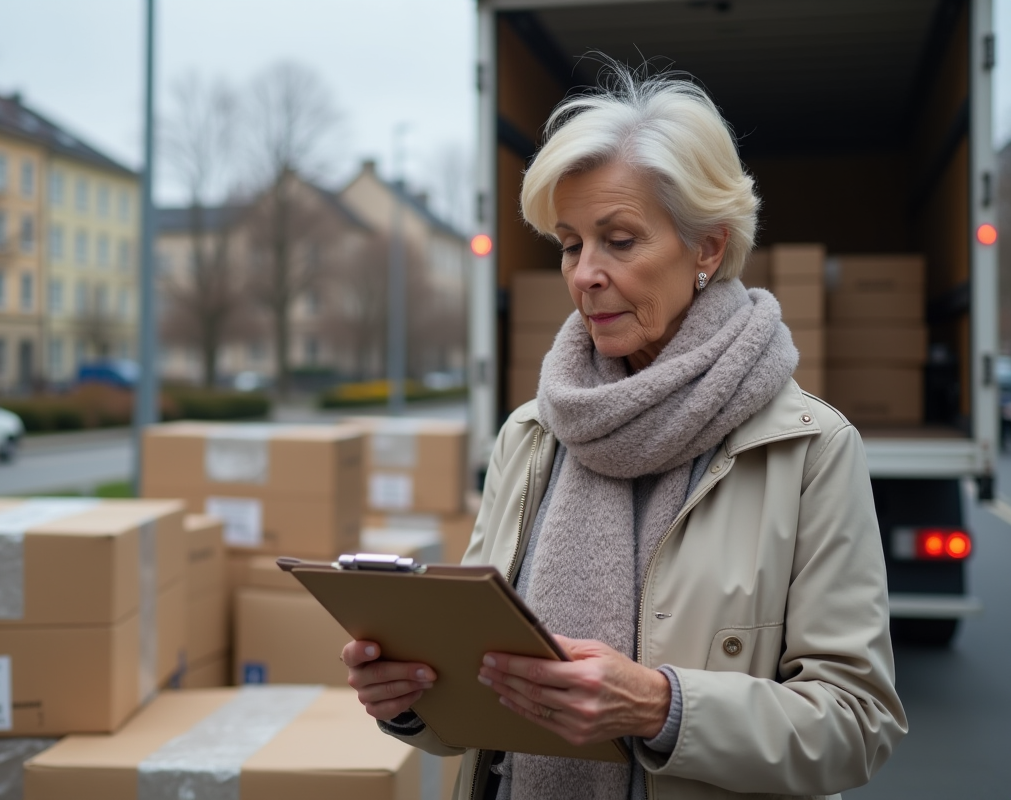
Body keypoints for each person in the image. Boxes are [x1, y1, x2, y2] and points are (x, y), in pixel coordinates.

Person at [342, 67, 907, 799]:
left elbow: (857, 725)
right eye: (572, 245)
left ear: (707, 248)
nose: (586, 275)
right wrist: (412, 701)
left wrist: (662, 708)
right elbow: (474, 707)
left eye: (619, 240)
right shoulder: (530, 435)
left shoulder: (809, 449)